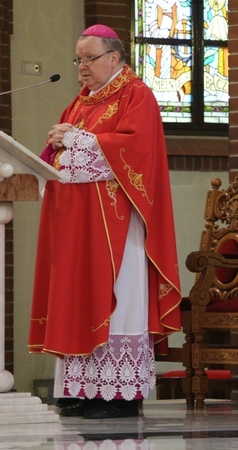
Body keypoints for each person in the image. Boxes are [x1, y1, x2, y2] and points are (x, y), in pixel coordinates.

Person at [29, 24, 182, 419]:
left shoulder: (137, 96)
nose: (82, 67)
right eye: (78, 59)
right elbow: (62, 158)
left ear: (114, 58)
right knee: (75, 297)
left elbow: (137, 149)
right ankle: (80, 388)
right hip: (76, 225)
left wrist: (77, 140)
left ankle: (117, 394)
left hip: (117, 224)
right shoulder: (79, 104)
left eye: (89, 58)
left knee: (119, 298)